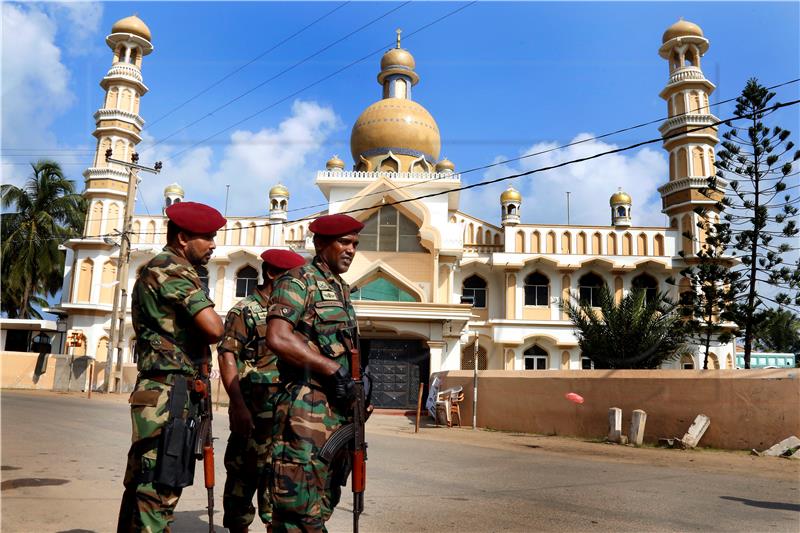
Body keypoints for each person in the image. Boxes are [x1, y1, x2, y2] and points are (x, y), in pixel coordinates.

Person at [117, 201, 226, 533]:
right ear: (182, 238)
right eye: (206, 237)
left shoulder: (170, 268)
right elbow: (214, 328)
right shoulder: (171, 269)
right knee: (159, 485)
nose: (213, 245)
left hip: (168, 389)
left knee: (145, 483)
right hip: (168, 392)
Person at [265, 214, 364, 533]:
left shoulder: (341, 289)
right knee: (300, 509)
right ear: (320, 244)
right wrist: (330, 368)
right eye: (344, 242)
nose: (351, 249)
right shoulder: (298, 280)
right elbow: (278, 336)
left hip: (336, 416)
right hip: (304, 410)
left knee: (322, 503)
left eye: (355, 244)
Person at [218, 249, 307, 533]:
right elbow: (227, 356)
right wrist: (238, 406)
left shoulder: (295, 316)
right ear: (271, 274)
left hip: (287, 417)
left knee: (279, 482)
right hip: (254, 415)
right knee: (242, 480)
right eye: (291, 278)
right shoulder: (244, 310)